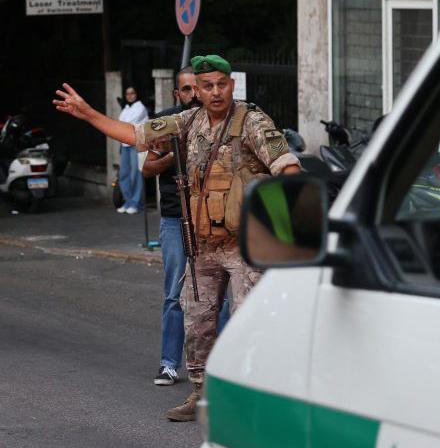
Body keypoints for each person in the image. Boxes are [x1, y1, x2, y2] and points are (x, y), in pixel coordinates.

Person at [53, 54, 301, 422]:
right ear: (196, 91)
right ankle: (201, 396)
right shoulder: (187, 122)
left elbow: (289, 170)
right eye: (207, 86)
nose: (216, 92)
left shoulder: (253, 122)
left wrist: (287, 226)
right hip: (202, 245)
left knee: (250, 322)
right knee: (197, 320)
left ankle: (257, 398)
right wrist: (89, 113)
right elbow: (136, 135)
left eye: (222, 83)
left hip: (246, 245)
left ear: (232, 85)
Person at [141, 67, 229, 387]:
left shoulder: (220, 121)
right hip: (175, 217)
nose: (194, 94)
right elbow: (148, 169)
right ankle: (168, 364)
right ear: (177, 94)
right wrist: (173, 153)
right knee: (175, 293)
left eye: (199, 88)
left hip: (210, 218)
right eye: (187, 89)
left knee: (218, 292)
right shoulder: (166, 123)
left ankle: (224, 363)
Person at [116, 86, 148, 214]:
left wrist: (122, 124)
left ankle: (136, 203)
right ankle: (128, 201)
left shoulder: (140, 108)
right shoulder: (126, 109)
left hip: (136, 144)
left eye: (132, 93)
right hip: (124, 144)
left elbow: (128, 123)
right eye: (127, 93)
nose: (130, 96)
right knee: (124, 174)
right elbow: (120, 123)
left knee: (136, 173)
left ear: (137, 94)